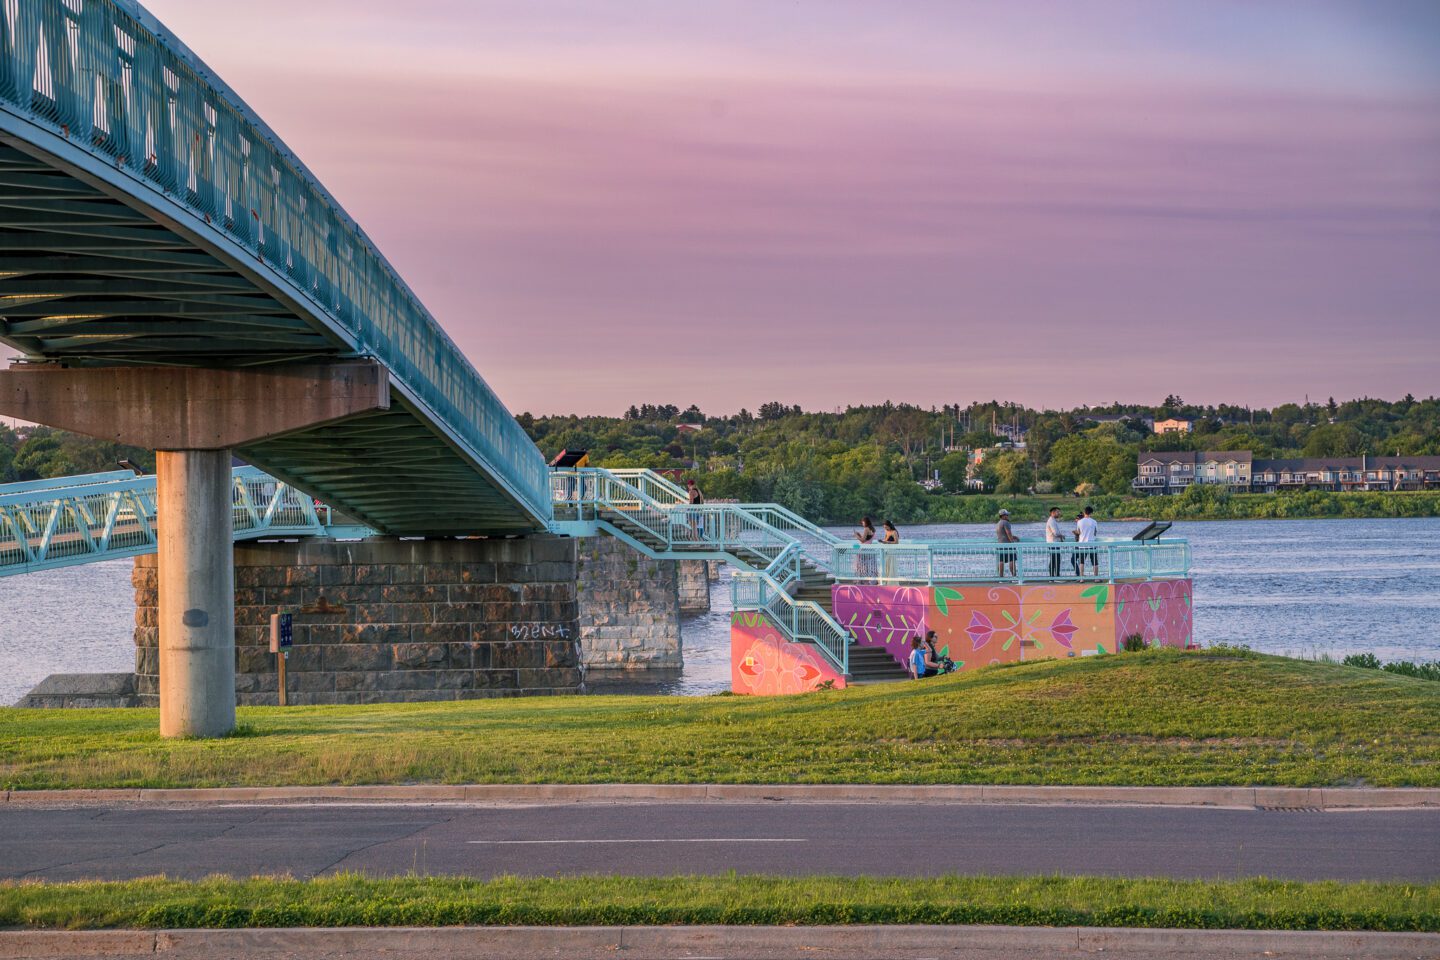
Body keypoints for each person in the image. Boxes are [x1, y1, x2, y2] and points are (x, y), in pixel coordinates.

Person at [1076, 505, 1100, 577]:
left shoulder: (1079, 522)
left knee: (1081, 562)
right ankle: (1096, 578)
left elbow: (1078, 532)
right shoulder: (1094, 522)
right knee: (1095, 562)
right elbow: (1095, 532)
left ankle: (1081, 578)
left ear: (1084, 512)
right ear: (1091, 513)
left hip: (1082, 545)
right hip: (1092, 544)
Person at [995, 508, 1018, 578]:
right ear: (1003, 516)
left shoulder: (998, 523)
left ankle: (1001, 577)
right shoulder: (1006, 522)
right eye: (1007, 515)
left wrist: (1014, 536)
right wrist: (1012, 542)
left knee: (1001, 561)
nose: (1008, 516)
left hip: (1000, 544)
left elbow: (1003, 534)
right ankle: (1014, 576)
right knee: (1012, 560)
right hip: (1008, 545)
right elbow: (1008, 533)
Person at [1044, 506, 1066, 578]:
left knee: (1055, 560)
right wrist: (1061, 536)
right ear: (1052, 513)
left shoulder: (1053, 520)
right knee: (1055, 560)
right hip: (1053, 543)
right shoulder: (1051, 521)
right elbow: (1055, 533)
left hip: (1054, 543)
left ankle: (1054, 576)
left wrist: (1060, 537)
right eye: (1057, 512)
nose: (1059, 513)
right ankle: (1054, 577)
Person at [1071, 512, 1085, 577]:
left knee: (1074, 560)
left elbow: (1081, 534)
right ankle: (1079, 574)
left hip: (1079, 545)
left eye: (1077, 518)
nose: (1076, 520)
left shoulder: (1081, 525)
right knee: (1078, 560)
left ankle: (1079, 574)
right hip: (1078, 544)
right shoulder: (1081, 525)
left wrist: (1075, 533)